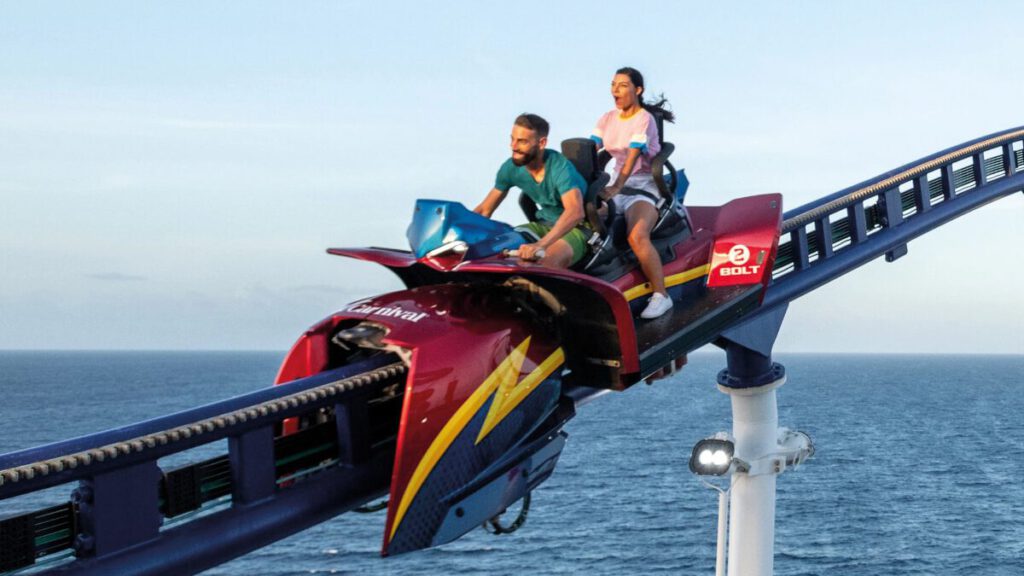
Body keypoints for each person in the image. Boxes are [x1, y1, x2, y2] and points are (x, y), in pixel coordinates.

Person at [591, 67, 676, 319]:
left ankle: (662, 296)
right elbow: (589, 149)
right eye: (613, 84)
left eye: (623, 85)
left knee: (637, 236)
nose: (615, 90)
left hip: (645, 185)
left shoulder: (644, 119)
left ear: (637, 90)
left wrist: (616, 188)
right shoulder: (607, 118)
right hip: (617, 180)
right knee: (588, 218)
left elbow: (632, 156)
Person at [475, 113, 589, 269]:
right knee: (495, 247)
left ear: (541, 143)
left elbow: (575, 212)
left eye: (522, 141)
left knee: (544, 262)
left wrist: (541, 245)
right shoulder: (510, 168)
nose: (513, 146)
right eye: (512, 139)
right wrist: (460, 235)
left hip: (576, 230)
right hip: (541, 226)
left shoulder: (561, 168)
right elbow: (484, 209)